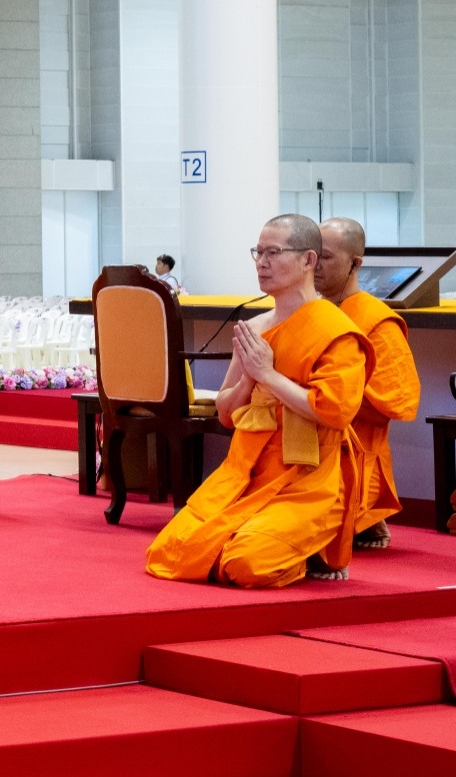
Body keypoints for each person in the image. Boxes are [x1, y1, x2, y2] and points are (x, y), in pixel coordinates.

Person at [145, 215, 369, 588]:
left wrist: (268, 375)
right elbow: (226, 413)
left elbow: (335, 411)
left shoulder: (336, 330)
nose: (261, 263)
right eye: (258, 252)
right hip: (245, 473)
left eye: (274, 252)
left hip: (305, 479)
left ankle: (305, 544)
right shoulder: (256, 328)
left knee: (246, 564)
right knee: (170, 552)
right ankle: (271, 541)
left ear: (308, 260)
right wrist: (249, 377)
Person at [317, 217, 419, 551]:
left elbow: (398, 397)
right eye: (311, 254)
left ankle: (368, 517)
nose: (314, 263)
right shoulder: (309, 309)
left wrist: (331, 393)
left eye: (326, 256)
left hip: (351, 439)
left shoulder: (376, 319)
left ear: (355, 263)